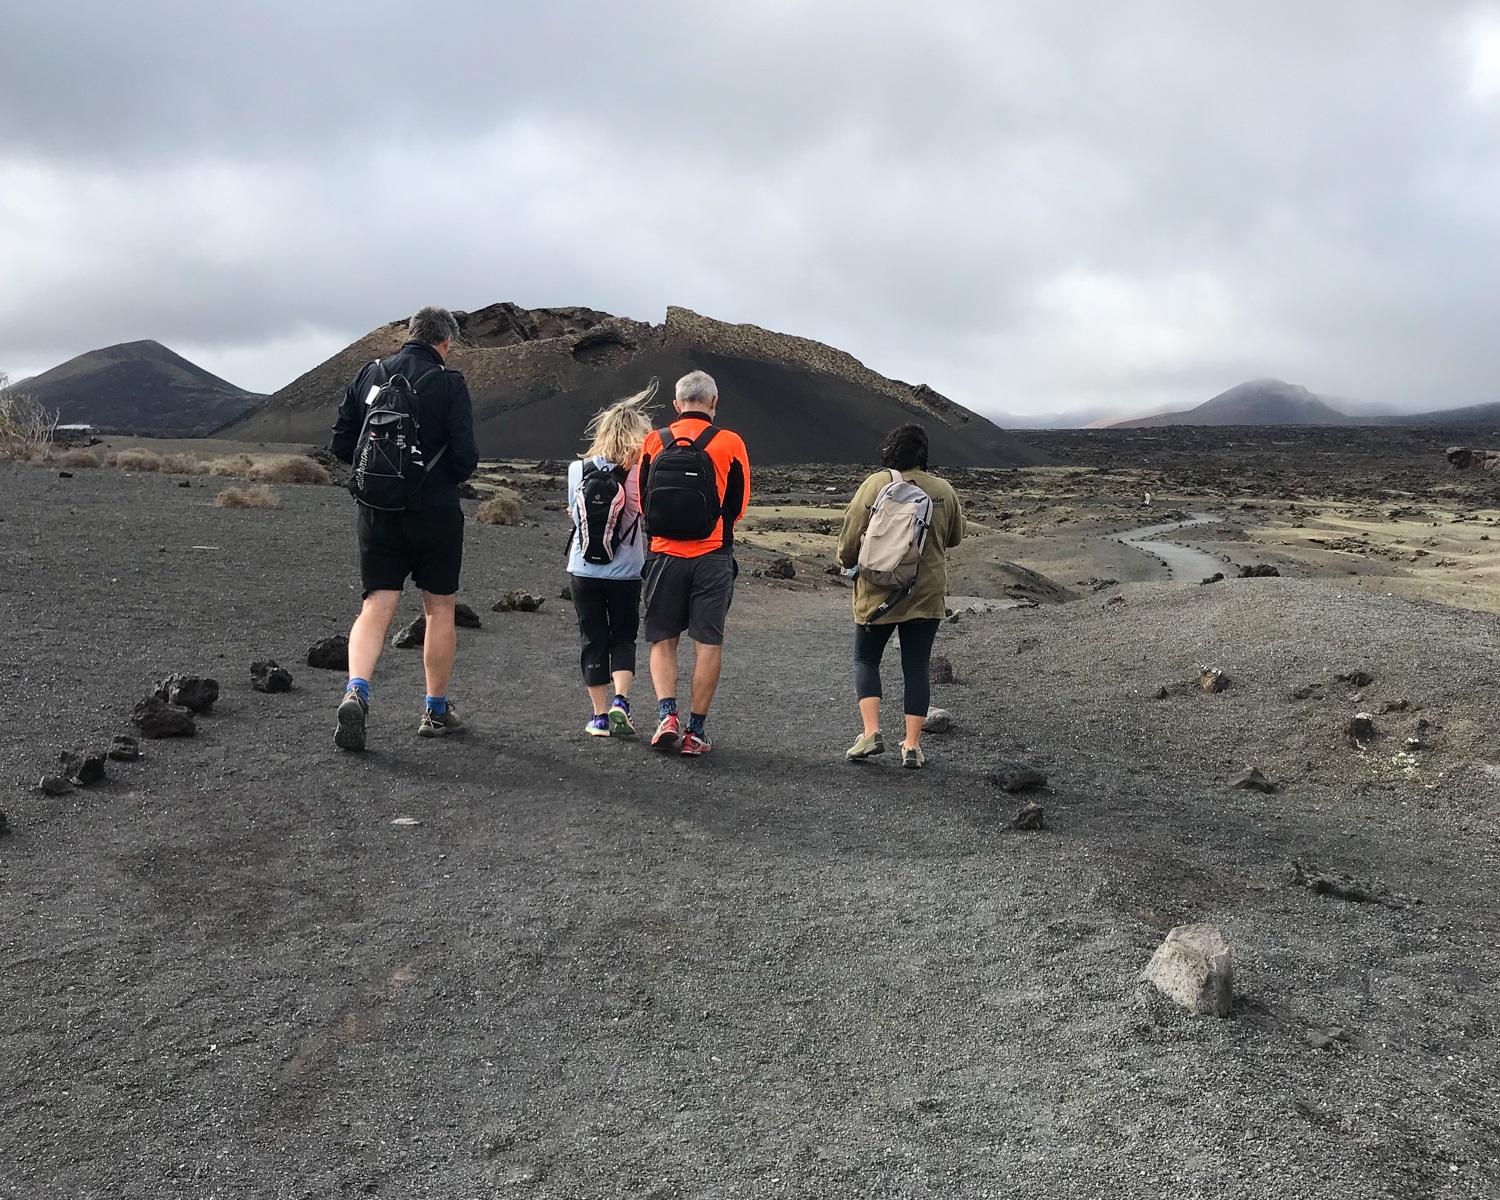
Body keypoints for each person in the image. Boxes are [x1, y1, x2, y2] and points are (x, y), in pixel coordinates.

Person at [328, 305, 480, 751]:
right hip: (435, 513)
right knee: (439, 610)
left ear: (410, 334)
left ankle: (356, 690)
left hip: (377, 513)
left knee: (376, 606)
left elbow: (340, 443)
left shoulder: (368, 373)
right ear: (446, 341)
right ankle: (435, 710)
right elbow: (466, 458)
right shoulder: (450, 383)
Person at [835, 423, 966, 769]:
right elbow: (955, 537)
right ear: (924, 454)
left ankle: (870, 733)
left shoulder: (876, 484)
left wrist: (847, 563)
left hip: (879, 591)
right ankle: (911, 746)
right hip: (926, 593)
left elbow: (851, 536)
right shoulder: (943, 489)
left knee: (866, 659)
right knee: (916, 667)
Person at [637, 370, 751, 756]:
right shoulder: (731, 442)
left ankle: (666, 716)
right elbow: (738, 505)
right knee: (708, 643)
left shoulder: (655, 441)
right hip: (712, 556)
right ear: (714, 402)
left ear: (676, 404)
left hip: (663, 554)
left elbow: (643, 498)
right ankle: (694, 732)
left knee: (662, 638)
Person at [565, 385, 656, 737]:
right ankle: (621, 701)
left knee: (592, 638)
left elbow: (575, 516)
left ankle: (599, 717)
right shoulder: (638, 472)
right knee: (623, 638)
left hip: (583, 569)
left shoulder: (578, 470)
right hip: (627, 571)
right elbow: (644, 512)